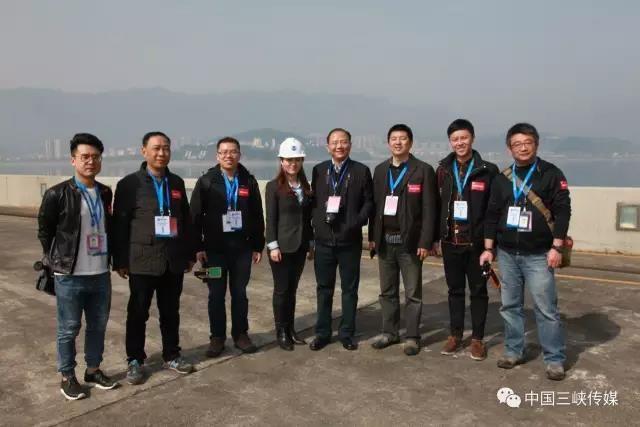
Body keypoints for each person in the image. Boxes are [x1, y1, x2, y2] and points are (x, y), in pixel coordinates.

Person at [479, 122, 571, 380]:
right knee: (510, 306)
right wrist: (488, 249)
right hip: (507, 254)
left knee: (546, 309)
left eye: (527, 143)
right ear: (509, 149)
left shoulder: (551, 174)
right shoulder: (502, 179)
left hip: (540, 254)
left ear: (536, 145)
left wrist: (557, 247)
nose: (522, 148)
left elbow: (563, 212)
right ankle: (513, 350)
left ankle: (554, 359)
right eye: (517, 144)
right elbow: (492, 215)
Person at [37, 133, 118, 400]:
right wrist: (55, 259)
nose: (90, 161)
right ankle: (67, 376)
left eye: (95, 157)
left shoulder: (105, 192)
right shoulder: (57, 194)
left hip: (100, 273)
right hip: (70, 275)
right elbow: (45, 230)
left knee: (98, 325)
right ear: (73, 160)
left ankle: (93, 370)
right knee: (69, 328)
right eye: (84, 157)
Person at [112, 131, 196, 385]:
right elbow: (120, 225)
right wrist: (120, 260)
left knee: (171, 311)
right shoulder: (129, 184)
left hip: (172, 259)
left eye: (166, 148)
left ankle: (172, 354)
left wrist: (189, 253)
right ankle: (135, 360)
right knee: (138, 313)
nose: (162, 153)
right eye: (157, 148)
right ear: (144, 151)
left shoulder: (177, 183)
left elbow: (185, 220)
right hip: (142, 260)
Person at [190, 137, 265, 357]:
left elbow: (257, 215)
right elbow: (195, 216)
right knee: (216, 294)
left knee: (240, 293)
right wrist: (198, 247)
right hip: (214, 251)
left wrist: (257, 245)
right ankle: (217, 338)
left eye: (233, 152)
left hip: (242, 250)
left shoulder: (248, 181)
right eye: (223, 152)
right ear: (217, 156)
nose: (228, 156)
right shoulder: (207, 181)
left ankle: (241, 334)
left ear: (239, 154)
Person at [368, 124, 437, 356]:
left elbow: (430, 210)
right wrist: (373, 237)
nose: (398, 142)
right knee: (387, 291)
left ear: (411, 142)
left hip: (410, 243)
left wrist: (425, 242)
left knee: (412, 293)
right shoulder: (380, 170)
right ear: (388, 143)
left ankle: (412, 336)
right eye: (394, 139)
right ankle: (390, 332)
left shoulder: (423, 170)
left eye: (403, 138)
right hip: (385, 241)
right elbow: (375, 207)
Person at [434, 119, 498, 360]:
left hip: (477, 244)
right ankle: (455, 335)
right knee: (454, 290)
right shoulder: (443, 170)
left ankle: (478, 339)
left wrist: (490, 245)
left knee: (479, 291)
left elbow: (494, 210)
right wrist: (436, 239)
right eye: (455, 139)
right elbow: (436, 206)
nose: (459, 143)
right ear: (450, 142)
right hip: (451, 242)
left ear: (472, 138)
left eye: (464, 138)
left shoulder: (487, 170)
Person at [309, 128, 374, 351]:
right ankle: (322, 333)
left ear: (350, 145)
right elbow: (314, 202)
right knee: (323, 289)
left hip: (349, 241)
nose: (339, 146)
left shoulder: (361, 170)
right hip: (324, 241)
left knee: (349, 290)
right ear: (328, 146)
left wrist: (356, 222)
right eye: (335, 142)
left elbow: (369, 202)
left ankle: (347, 333)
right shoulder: (319, 171)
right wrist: (317, 224)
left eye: (344, 142)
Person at [265, 138, 314, 351]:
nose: (292, 164)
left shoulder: (306, 187)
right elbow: (271, 220)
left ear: (301, 161)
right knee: (281, 290)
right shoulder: (273, 187)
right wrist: (273, 246)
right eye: (288, 160)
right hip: (282, 248)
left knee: (292, 290)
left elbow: (308, 218)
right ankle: (281, 332)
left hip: (300, 246)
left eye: (296, 160)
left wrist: (310, 243)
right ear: (281, 161)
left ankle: (291, 329)